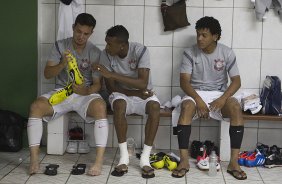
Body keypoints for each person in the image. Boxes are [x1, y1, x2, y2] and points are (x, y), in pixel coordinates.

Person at [27, 13, 109, 176]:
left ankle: (98, 162)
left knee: (100, 106)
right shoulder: (59, 46)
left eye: (86, 34)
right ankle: (34, 160)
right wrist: (62, 63)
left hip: (84, 94)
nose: (81, 36)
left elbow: (97, 84)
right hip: (62, 91)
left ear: (91, 33)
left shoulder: (95, 52)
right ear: (73, 28)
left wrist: (85, 91)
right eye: (78, 31)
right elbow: (48, 74)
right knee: (36, 107)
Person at [172, 16, 246, 180]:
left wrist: (222, 99)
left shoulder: (226, 52)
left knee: (235, 107)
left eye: (204, 35)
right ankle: (184, 161)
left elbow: (236, 81)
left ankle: (234, 162)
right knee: (186, 108)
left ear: (215, 36)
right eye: (198, 34)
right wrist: (198, 100)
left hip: (219, 94)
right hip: (195, 92)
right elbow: (184, 82)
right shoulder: (190, 52)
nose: (199, 38)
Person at [94, 25, 160, 179]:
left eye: (110, 44)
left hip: (143, 92)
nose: (106, 47)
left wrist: (112, 74)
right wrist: (134, 93)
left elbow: (143, 83)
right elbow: (111, 88)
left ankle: (145, 158)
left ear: (122, 45)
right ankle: (123, 157)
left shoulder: (141, 51)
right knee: (119, 105)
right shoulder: (106, 55)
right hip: (122, 94)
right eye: (106, 43)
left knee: (155, 107)